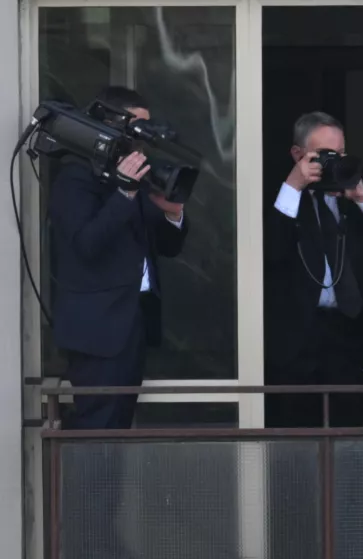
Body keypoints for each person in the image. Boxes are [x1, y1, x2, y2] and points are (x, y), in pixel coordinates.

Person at [49, 85, 189, 559]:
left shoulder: (130, 179)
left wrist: (173, 212)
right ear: (111, 123)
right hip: (98, 332)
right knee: (94, 445)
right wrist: (126, 191)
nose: (142, 138)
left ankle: (102, 540)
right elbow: (86, 245)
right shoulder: (76, 177)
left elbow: (168, 245)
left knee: (114, 445)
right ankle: (85, 544)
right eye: (137, 126)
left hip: (129, 327)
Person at [263, 111, 363, 428]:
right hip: (296, 338)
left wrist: (362, 197)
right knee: (294, 434)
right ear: (298, 155)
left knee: (348, 431)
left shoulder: (353, 191)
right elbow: (272, 251)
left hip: (349, 332)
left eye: (340, 154)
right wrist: (294, 186)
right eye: (324, 156)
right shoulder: (279, 193)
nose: (333, 164)